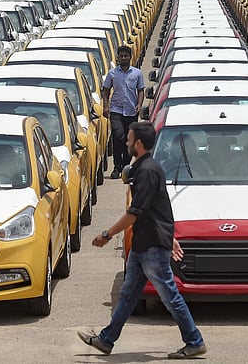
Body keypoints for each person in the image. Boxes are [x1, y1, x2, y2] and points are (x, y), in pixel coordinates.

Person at [78, 122, 206, 360]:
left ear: (138, 143)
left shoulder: (147, 171)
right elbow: (161, 209)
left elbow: (134, 212)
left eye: (128, 139)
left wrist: (107, 234)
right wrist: (172, 237)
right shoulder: (146, 168)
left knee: (169, 296)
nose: (125, 142)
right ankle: (106, 340)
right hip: (143, 245)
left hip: (152, 248)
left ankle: (194, 341)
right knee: (128, 295)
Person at [101, 45, 145, 179]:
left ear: (130, 57)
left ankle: (126, 166)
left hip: (131, 111)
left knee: (129, 140)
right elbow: (106, 90)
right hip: (116, 110)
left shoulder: (137, 73)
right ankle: (116, 166)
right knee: (118, 137)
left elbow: (141, 90)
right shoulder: (112, 73)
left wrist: (139, 104)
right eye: (121, 56)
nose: (123, 58)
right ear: (118, 58)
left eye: (126, 56)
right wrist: (106, 106)